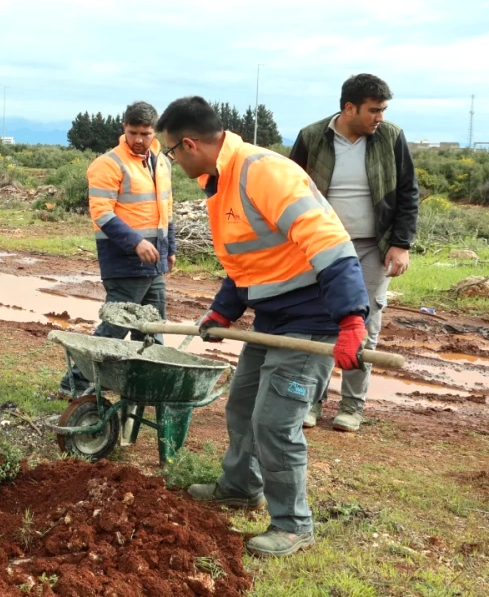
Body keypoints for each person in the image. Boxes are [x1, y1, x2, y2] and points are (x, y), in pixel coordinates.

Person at [156, 96, 369, 558]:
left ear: (189, 144)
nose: (172, 160)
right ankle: (239, 486)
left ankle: (294, 525)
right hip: (272, 318)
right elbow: (245, 261)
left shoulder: (263, 172)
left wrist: (352, 319)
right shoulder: (222, 182)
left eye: (171, 152)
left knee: (275, 424)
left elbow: (330, 244)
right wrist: (222, 312)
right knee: (243, 406)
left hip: (312, 320)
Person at [290, 74, 418, 432]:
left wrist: (401, 243)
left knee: (364, 324)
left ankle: (352, 406)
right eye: (374, 110)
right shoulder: (311, 137)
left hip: (372, 247)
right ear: (350, 108)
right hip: (321, 246)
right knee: (317, 322)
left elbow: (407, 193)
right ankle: (310, 402)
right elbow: (288, 191)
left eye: (383, 110)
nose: (380, 117)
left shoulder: (390, 137)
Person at [60, 101, 176, 397]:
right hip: (123, 262)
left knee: (151, 328)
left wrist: (169, 247)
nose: (139, 139)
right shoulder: (108, 164)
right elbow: (101, 213)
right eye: (133, 132)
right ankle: (75, 382)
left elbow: (167, 208)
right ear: (123, 128)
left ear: (154, 132)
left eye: (146, 133)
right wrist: (136, 242)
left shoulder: (162, 162)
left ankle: (142, 387)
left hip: (154, 261)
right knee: (115, 327)